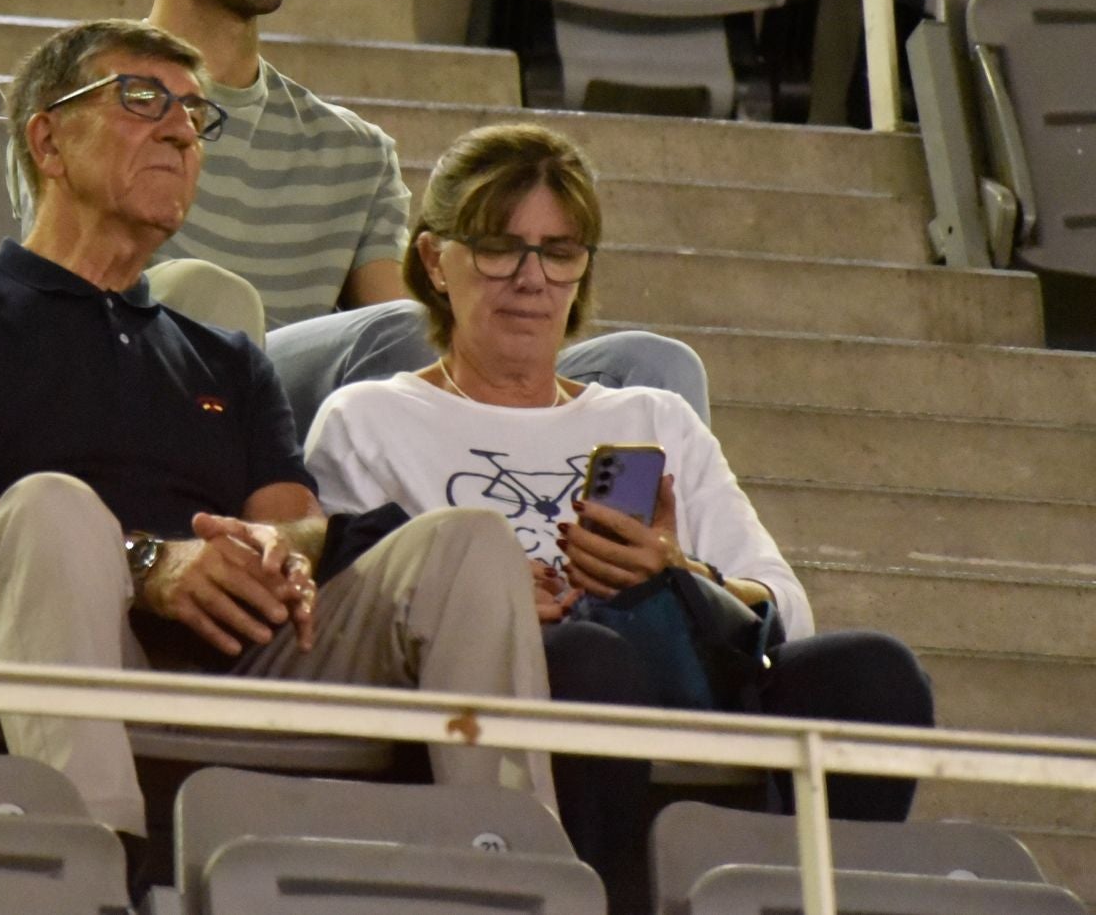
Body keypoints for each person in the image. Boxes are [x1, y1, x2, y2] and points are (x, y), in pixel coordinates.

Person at [0, 18, 551, 847]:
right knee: (50, 508)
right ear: (47, 140)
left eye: (195, 113)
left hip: (237, 655)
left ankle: (515, 865)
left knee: (469, 543)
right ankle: (91, 874)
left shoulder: (225, 359)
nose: (181, 128)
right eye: (143, 98)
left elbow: (298, 518)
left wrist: (265, 550)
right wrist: (150, 563)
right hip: (42, 639)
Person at [302, 121, 934, 912]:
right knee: (587, 656)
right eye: (501, 246)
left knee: (873, 672)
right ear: (435, 259)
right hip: (528, 687)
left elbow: (786, 608)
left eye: (560, 251)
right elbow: (362, 610)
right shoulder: (368, 419)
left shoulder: (652, 415)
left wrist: (677, 567)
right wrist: (492, 600)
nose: (531, 279)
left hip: (685, 665)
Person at [117, 0, 711, 431]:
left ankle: (620, 530)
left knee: (654, 371)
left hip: (313, 416)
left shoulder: (352, 150)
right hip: (158, 391)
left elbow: (422, 350)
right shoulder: (88, 103)